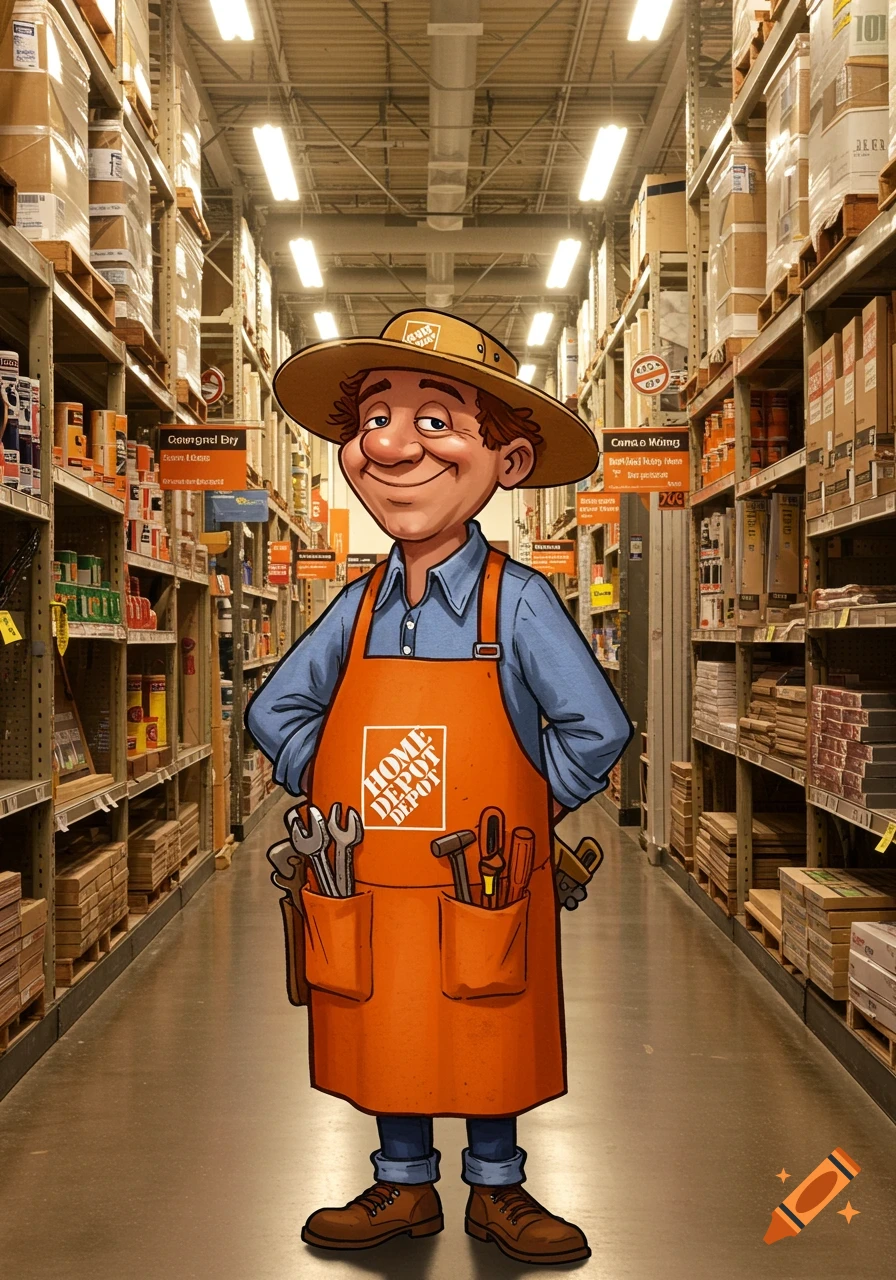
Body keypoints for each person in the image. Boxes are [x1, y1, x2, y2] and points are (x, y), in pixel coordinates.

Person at [246, 308, 632, 1265]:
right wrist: (329, 785)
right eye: (375, 420)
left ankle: (499, 1192)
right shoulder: (358, 604)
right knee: (389, 1021)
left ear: (502, 462)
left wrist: (522, 809)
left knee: (485, 1019)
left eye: (435, 422)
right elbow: (273, 712)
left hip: (482, 881)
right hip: (367, 880)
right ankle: (402, 1186)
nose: (394, 446)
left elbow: (599, 727)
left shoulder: (522, 601)